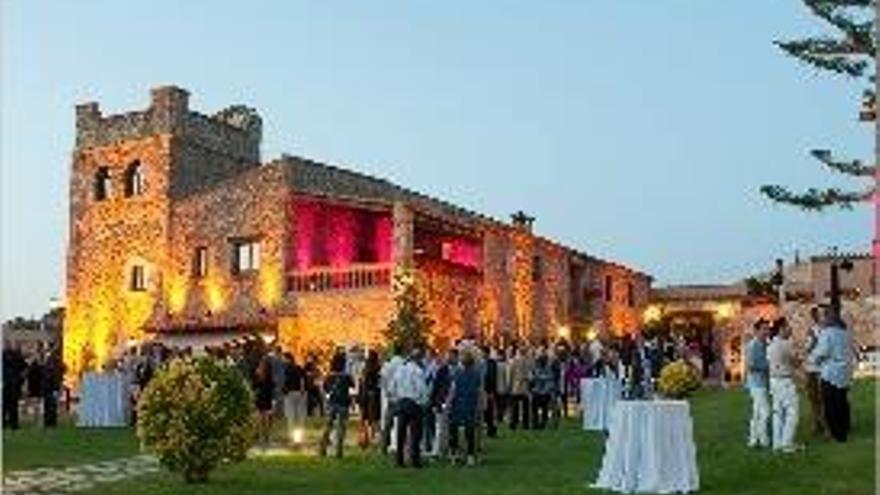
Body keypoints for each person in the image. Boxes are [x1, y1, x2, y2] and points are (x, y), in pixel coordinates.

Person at [809, 308, 854, 442]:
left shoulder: (827, 333)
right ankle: (844, 429)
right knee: (842, 402)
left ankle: (836, 434)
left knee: (831, 405)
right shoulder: (845, 332)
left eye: (822, 317)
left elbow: (822, 352)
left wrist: (812, 358)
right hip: (844, 372)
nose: (820, 320)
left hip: (831, 374)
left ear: (828, 319)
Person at [390, 348, 428, 468]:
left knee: (401, 432)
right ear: (418, 359)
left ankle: (399, 459)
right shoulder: (417, 371)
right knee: (415, 433)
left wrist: (396, 398)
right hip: (414, 403)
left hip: (401, 402)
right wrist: (423, 401)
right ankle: (415, 460)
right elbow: (421, 388)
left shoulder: (400, 370)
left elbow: (392, 387)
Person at [767, 318, 800, 452]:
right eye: (788, 327)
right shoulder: (785, 344)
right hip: (784, 381)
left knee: (778, 413)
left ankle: (777, 443)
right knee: (792, 412)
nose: (790, 329)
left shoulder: (771, 344)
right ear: (781, 328)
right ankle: (787, 443)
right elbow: (796, 362)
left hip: (773, 381)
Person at [448, 346, 482, 466]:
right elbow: (479, 392)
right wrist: (479, 406)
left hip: (457, 406)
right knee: (470, 432)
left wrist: (447, 405)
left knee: (453, 430)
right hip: (470, 406)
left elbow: (452, 391)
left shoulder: (456, 374)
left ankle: (454, 455)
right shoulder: (476, 375)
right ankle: (470, 456)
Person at [319, 352, 354, 458]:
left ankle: (323, 449)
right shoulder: (347, 376)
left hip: (332, 403)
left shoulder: (329, 376)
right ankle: (339, 450)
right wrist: (352, 401)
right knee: (341, 427)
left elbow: (324, 389)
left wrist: (327, 397)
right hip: (344, 403)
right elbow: (352, 388)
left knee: (328, 426)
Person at [745, 319, 771, 448]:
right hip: (757, 383)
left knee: (757, 412)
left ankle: (753, 439)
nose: (767, 331)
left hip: (762, 382)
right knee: (765, 411)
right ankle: (763, 439)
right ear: (757, 331)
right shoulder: (753, 345)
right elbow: (750, 366)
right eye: (764, 329)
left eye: (768, 329)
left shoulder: (765, 344)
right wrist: (769, 366)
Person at [803, 306, 828, 438]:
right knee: (813, 399)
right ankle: (817, 425)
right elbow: (807, 349)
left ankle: (827, 429)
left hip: (823, 370)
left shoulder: (828, 331)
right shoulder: (811, 331)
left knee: (824, 399)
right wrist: (812, 342)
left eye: (822, 315)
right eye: (818, 315)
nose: (820, 317)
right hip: (811, 369)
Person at [358, 350, 382, 449]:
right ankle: (374, 438)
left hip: (364, 396)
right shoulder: (378, 368)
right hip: (375, 395)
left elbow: (361, 383)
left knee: (365, 418)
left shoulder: (365, 369)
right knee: (375, 418)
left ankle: (365, 439)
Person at [282, 353, 306, 445]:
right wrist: (302, 389)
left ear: (288, 359)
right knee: (300, 416)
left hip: (289, 394)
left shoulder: (285, 369)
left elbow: (284, 382)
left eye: (284, 359)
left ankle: (292, 439)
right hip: (300, 394)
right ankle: (299, 439)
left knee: (291, 417)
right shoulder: (299, 367)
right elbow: (302, 379)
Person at [3, 342, 26, 429]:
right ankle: (14, 424)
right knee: (13, 405)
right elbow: (24, 368)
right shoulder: (17, 356)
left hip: (6, 384)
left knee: (5, 405)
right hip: (14, 384)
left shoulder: (4, 356)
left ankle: (4, 423)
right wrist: (21, 380)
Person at [507, 346, 531, 430]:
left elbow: (510, 373)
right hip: (524, 386)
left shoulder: (514, 361)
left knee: (514, 406)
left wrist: (509, 385)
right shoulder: (528, 361)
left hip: (516, 386)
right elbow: (530, 374)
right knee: (525, 407)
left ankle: (513, 423)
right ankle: (525, 424)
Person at [254, 356, 275, 446]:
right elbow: (272, 386)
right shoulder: (268, 376)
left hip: (261, 398)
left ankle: (262, 438)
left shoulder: (258, 375)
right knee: (265, 420)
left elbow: (254, 386)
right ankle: (266, 438)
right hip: (266, 398)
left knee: (260, 419)